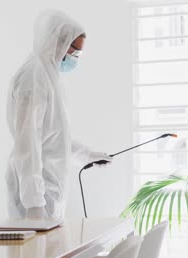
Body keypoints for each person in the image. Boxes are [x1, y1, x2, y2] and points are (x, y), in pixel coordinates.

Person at [6, 10, 112, 220]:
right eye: (75, 53)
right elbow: (28, 142)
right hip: (35, 194)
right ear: (59, 43)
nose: (75, 59)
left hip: (48, 188)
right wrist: (34, 203)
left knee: (53, 251)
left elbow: (54, 136)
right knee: (34, 253)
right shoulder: (33, 77)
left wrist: (88, 155)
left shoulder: (48, 75)